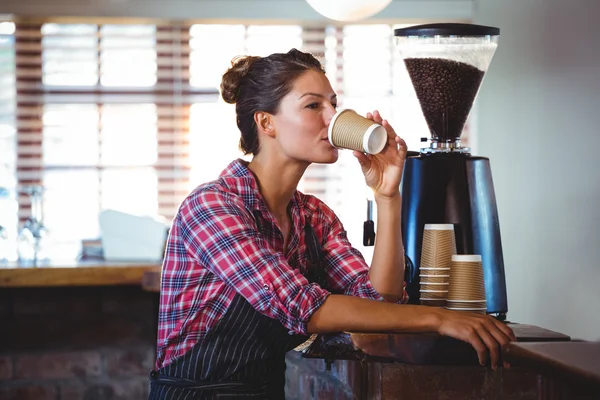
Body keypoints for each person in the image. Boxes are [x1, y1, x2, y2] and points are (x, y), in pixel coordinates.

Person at [148, 48, 516, 400]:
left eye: (333, 105)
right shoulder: (212, 206)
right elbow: (300, 304)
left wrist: (388, 197)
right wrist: (439, 319)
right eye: (313, 105)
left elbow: (379, 302)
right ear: (266, 122)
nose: (333, 118)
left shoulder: (314, 216)